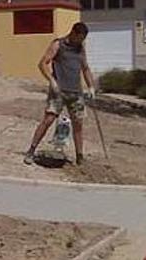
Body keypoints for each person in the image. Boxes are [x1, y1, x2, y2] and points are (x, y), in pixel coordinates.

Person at [24, 22, 96, 166]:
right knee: (48, 120)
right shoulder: (58, 45)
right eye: (80, 38)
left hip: (76, 92)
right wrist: (52, 80)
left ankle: (80, 157)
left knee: (78, 123)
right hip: (59, 92)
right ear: (73, 33)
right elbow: (43, 63)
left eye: (83, 39)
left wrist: (91, 87)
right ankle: (31, 151)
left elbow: (85, 68)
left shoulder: (80, 49)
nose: (81, 41)